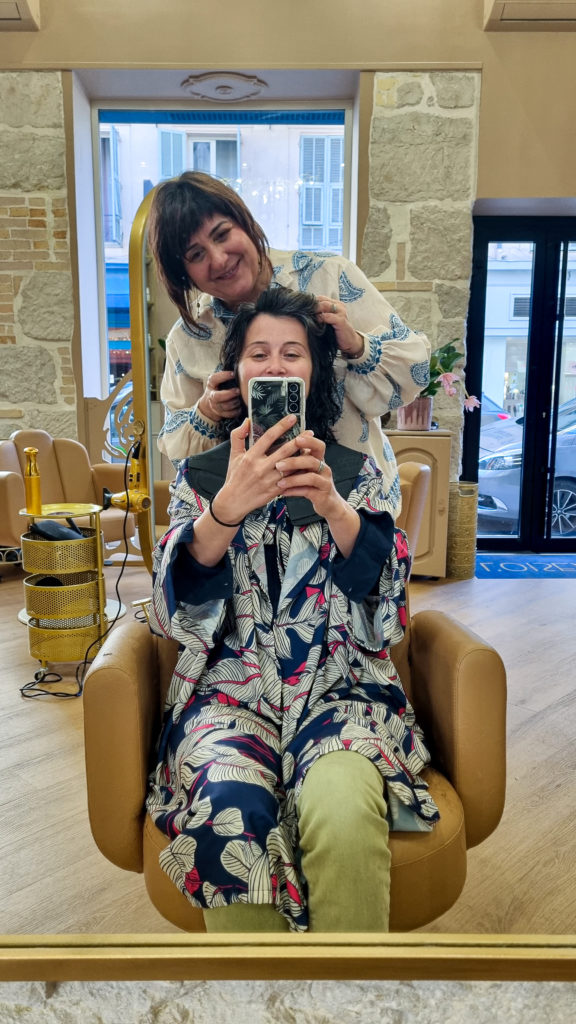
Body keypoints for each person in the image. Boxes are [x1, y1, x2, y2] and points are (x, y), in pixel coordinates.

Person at [146, 287, 439, 934]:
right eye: (258, 354)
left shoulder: (353, 473)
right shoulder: (202, 478)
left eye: (292, 353)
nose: (275, 365)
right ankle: (261, 988)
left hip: (339, 693)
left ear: (314, 372)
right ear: (236, 372)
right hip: (228, 699)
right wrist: (226, 509)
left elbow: (388, 605)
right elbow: (171, 615)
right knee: (227, 808)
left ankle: (344, 986)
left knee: (343, 809)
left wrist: (335, 508)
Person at [148, 171, 431, 518]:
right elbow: (179, 453)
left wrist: (356, 344)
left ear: (245, 223)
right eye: (196, 254)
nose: (219, 259)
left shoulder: (330, 278)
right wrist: (207, 411)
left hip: (352, 505)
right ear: (183, 273)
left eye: (222, 234)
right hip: (247, 527)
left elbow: (414, 376)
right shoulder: (189, 337)